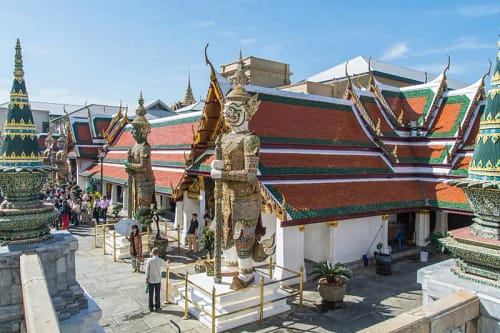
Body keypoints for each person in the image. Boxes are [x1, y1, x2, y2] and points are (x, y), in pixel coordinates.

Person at [210, 53, 272, 289]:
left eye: (234, 108)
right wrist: (216, 167)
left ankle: (246, 274)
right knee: (225, 240)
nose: (228, 113)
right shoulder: (225, 139)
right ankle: (231, 267)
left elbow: (249, 174)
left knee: (242, 239)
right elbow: (223, 166)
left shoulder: (250, 140)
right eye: (227, 109)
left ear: (248, 110)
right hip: (226, 197)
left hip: (245, 199)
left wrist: (222, 174)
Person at [144, 247, 168, 312]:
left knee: (150, 294)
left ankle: (150, 307)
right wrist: (167, 262)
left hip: (151, 279)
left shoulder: (149, 260)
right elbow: (166, 266)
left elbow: (147, 270)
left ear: (152, 253)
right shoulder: (160, 260)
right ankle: (157, 307)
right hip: (158, 279)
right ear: (158, 253)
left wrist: (146, 278)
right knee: (157, 294)